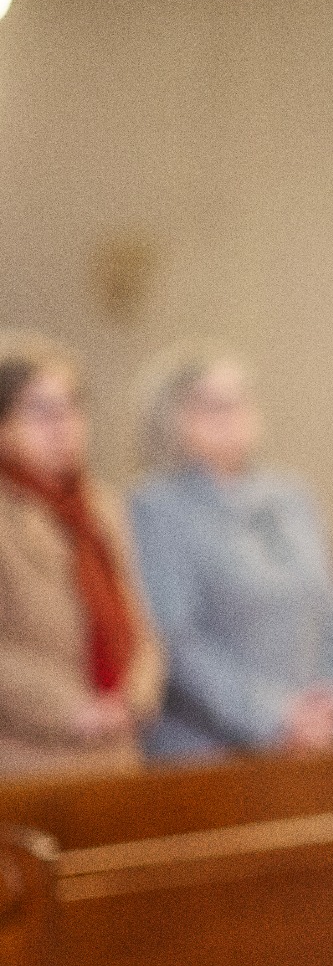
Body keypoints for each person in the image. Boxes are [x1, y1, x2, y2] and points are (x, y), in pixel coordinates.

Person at [129, 351, 333, 759]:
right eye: (211, 403)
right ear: (170, 418)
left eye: (239, 399)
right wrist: (277, 718)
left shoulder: (291, 497)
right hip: (209, 751)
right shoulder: (156, 508)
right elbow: (175, 642)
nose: (231, 413)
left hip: (314, 744)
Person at [0, 332, 165, 776]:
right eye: (41, 410)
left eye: (72, 406)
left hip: (117, 749)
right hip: (25, 758)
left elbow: (137, 620)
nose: (63, 424)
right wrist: (70, 710)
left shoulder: (102, 507)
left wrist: (136, 694)